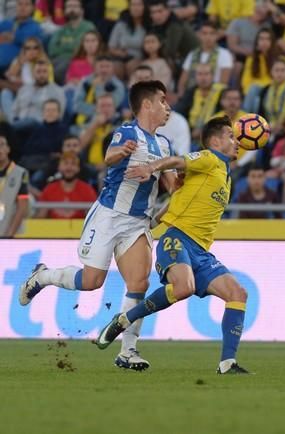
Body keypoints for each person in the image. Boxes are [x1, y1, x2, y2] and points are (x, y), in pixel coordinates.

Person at [19, 80, 177, 371]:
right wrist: (124, 152)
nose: (168, 107)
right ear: (147, 105)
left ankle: (128, 351)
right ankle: (42, 277)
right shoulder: (127, 132)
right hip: (109, 216)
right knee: (92, 282)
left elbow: (172, 184)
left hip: (137, 222)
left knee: (139, 283)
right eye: (163, 101)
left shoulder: (165, 144)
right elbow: (109, 156)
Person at [95, 116, 251, 375]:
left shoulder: (224, 174)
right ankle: (124, 319)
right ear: (215, 141)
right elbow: (177, 160)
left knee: (238, 294)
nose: (238, 142)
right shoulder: (208, 158)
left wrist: (158, 217)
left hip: (200, 251)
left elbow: (182, 194)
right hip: (177, 239)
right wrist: (152, 167)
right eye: (231, 136)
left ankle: (228, 363)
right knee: (184, 287)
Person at [36, 151, 97, 219]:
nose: (69, 167)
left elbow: (93, 219)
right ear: (59, 167)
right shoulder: (49, 189)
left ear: (78, 169)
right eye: (65, 163)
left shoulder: (87, 190)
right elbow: (40, 217)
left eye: (73, 164)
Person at [0, 135, 29, 238]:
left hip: (11, 234)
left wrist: (9, 235)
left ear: (8, 148)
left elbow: (22, 207)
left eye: (2, 145)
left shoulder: (20, 173)